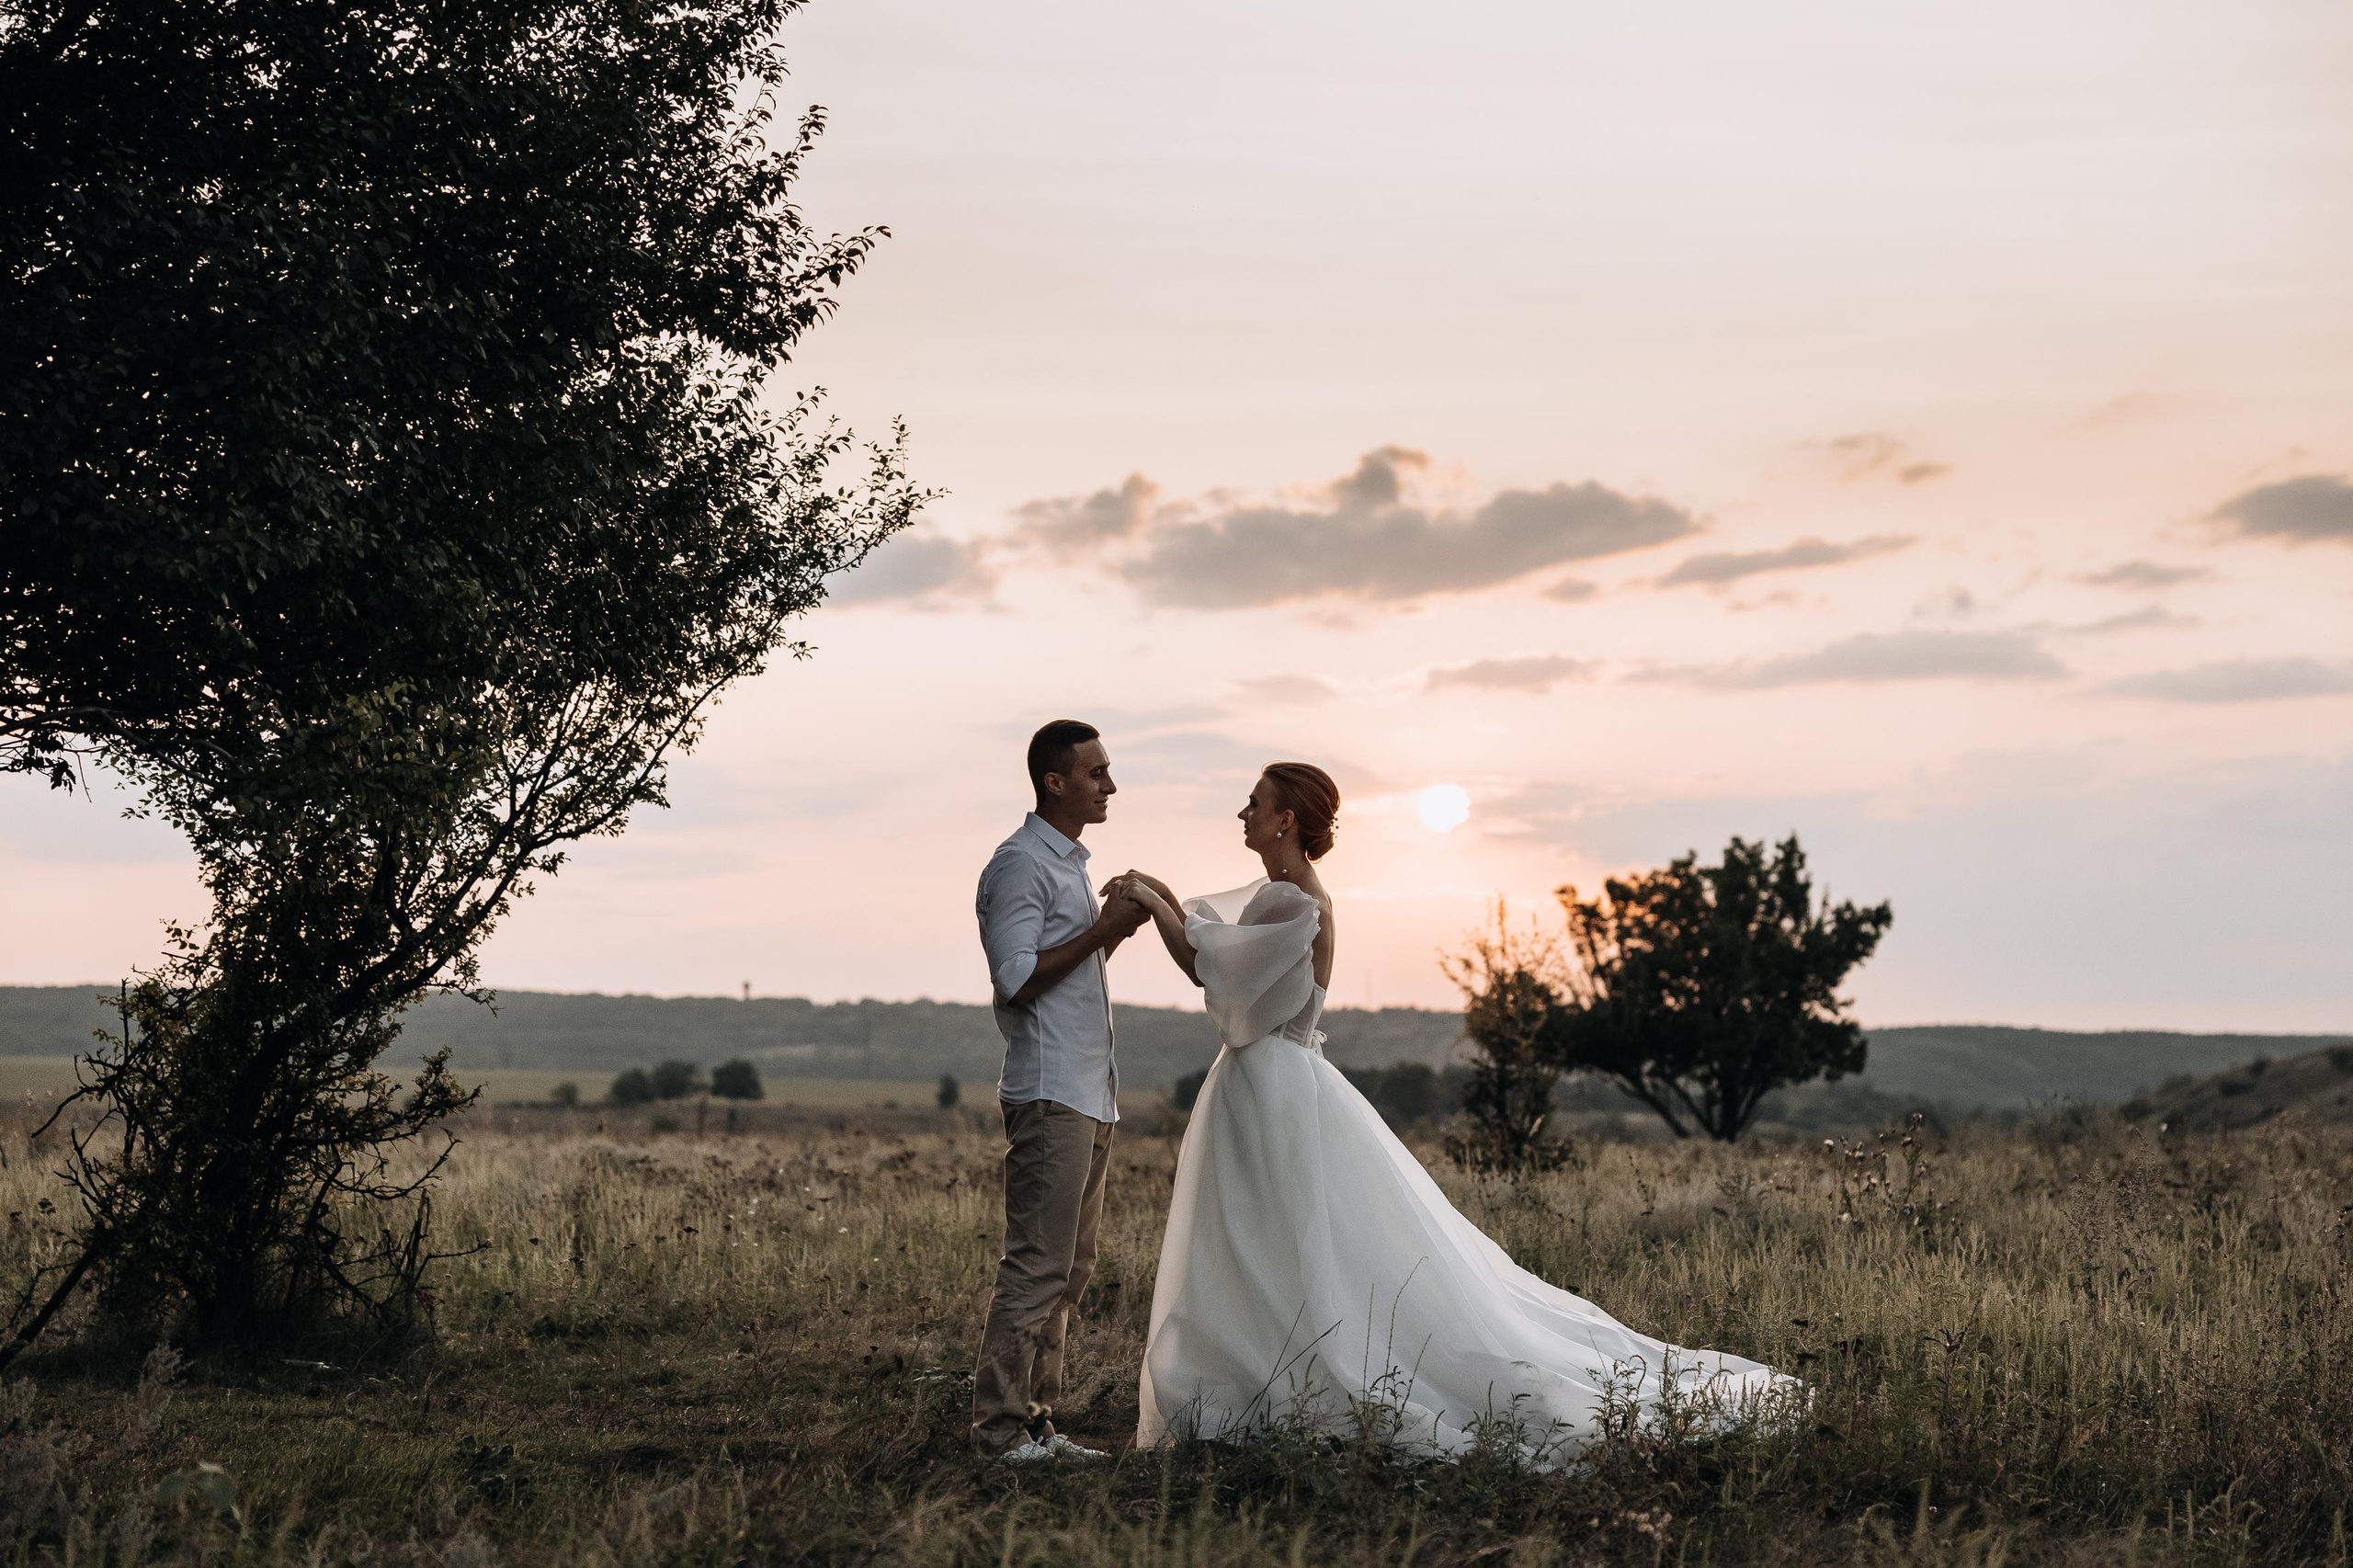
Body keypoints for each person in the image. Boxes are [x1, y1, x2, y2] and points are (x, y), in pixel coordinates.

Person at [1105, 763, 1798, 1467]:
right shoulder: (1288, 896)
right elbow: (1211, 941)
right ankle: (1252, 1384)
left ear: (1285, 820)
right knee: (1262, 1241)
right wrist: (1157, 892)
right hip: (1271, 1084)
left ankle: (1273, 1386)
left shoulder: (1289, 900)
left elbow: (1206, 967)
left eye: (1254, 803)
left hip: (1272, 1088)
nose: (1243, 812)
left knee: (1274, 1242)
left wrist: (1146, 900)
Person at [969, 719, 1149, 1463]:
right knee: (1038, 1265)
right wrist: (1106, 930)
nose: (1109, 785)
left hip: (1089, 1091)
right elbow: (1015, 978)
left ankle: (1037, 1421)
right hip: (1050, 1094)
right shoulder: (1020, 866)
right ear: (1056, 781)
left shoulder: (1068, 863)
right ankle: (1000, 1431)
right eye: (1097, 772)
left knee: (1071, 1268)